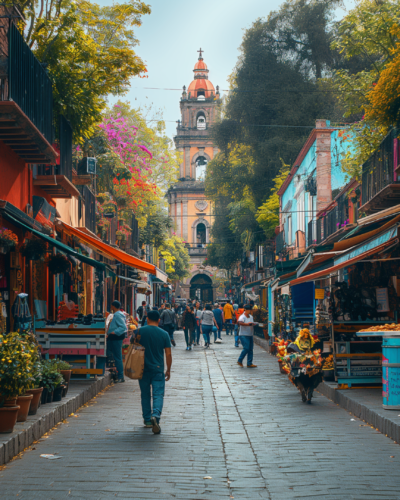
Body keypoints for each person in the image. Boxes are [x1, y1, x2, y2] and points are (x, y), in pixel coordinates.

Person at [131, 310, 172, 434]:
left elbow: (131, 345)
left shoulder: (138, 331)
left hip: (141, 368)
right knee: (158, 394)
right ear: (159, 320)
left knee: (145, 394)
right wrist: (168, 369)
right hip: (158, 369)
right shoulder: (164, 334)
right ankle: (156, 415)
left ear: (147, 319)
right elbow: (168, 354)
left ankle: (148, 420)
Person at [107, 300, 128, 383]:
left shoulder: (118, 315)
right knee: (111, 354)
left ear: (113, 306)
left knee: (117, 357)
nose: (111, 307)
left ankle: (121, 376)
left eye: (111, 305)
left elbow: (123, 327)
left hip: (116, 338)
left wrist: (114, 332)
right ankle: (117, 375)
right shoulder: (116, 314)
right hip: (112, 338)